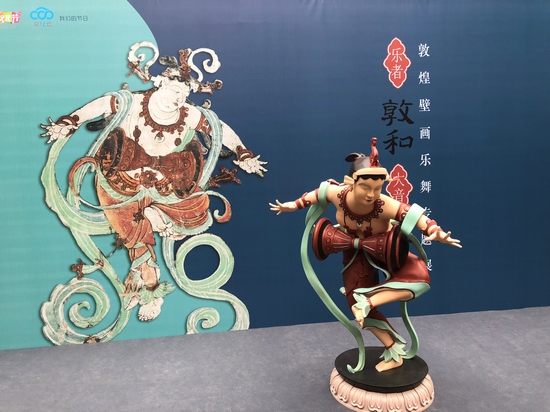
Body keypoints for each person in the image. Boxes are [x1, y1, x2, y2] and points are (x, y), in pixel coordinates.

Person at [40, 45, 267, 322]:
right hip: (122, 182)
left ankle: (152, 229)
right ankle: (151, 287)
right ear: (161, 83)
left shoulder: (188, 114)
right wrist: (71, 121)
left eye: (184, 95)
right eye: (174, 91)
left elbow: (220, 129)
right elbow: (99, 106)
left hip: (166, 185)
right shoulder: (132, 103)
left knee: (198, 207)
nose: (177, 99)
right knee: (132, 228)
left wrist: (242, 152)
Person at [270, 138, 460, 371]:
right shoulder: (338, 194)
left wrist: (434, 231)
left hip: (387, 250)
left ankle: (369, 301)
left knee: (421, 279)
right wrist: (294, 204)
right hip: (354, 255)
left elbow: (414, 215)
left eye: (377, 188)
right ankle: (393, 349)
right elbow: (318, 193)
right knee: (357, 309)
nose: (372, 194)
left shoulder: (385, 204)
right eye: (365, 188)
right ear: (350, 182)